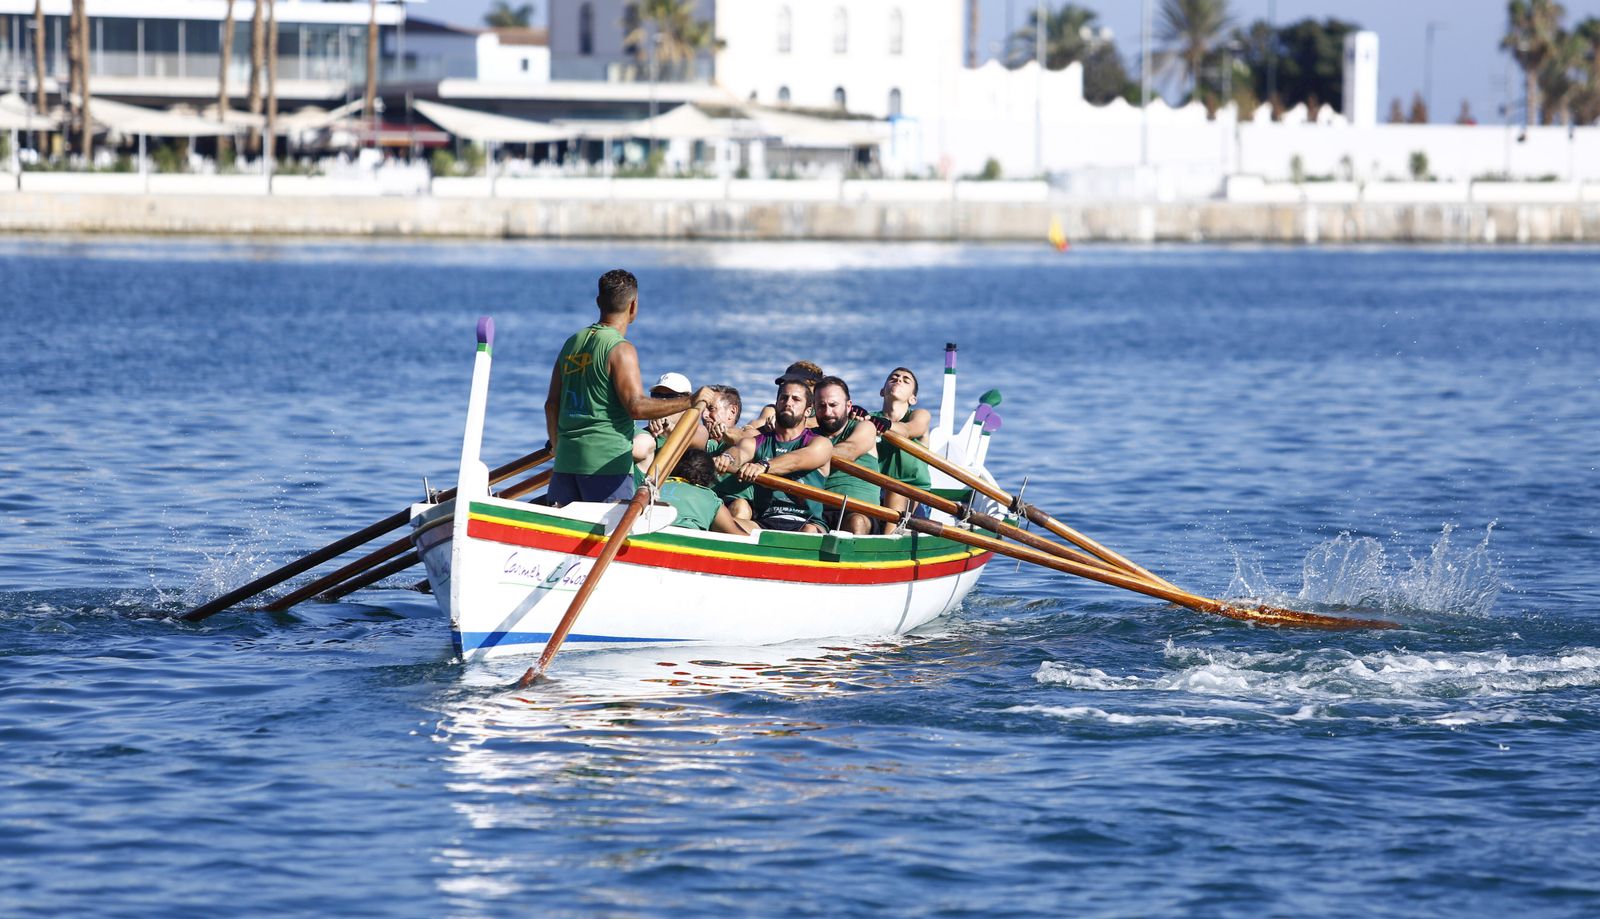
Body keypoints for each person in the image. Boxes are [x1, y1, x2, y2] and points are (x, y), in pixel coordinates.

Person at [544, 268, 714, 505]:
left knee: (561, 537)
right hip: (606, 466)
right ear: (634, 306)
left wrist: (557, 446)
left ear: (598, 302)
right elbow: (636, 407)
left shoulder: (571, 343)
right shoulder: (621, 349)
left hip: (565, 463)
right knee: (612, 537)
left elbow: (551, 404)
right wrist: (690, 401)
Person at [719, 379, 834, 532]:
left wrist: (764, 466)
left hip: (807, 523)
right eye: (783, 398)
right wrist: (726, 458)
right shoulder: (758, 442)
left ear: (808, 410)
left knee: (809, 532)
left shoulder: (820, 444)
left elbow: (797, 460)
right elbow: (739, 451)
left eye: (796, 399)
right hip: (765, 521)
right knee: (723, 524)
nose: (788, 402)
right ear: (777, 404)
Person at [812, 376, 884, 535]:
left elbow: (848, 451)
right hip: (817, 514)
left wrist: (803, 457)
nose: (827, 412)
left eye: (833, 405)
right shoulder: (809, 435)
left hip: (859, 511)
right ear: (813, 408)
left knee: (855, 522)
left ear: (848, 406)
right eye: (821, 406)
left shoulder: (864, 427)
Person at [872, 366, 933, 523]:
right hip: (875, 491)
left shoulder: (919, 415)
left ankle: (888, 540)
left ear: (913, 399)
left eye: (906, 380)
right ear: (882, 391)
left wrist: (885, 425)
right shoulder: (870, 418)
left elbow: (908, 430)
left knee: (896, 492)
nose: (899, 379)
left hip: (915, 494)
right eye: (893, 378)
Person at [659, 449, 758, 535]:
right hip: (684, 540)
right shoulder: (710, 498)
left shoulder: (655, 485)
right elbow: (736, 535)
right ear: (709, 478)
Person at [633, 371, 708, 470]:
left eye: (671, 397)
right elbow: (638, 448)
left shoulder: (699, 431)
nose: (663, 402)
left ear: (687, 402)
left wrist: (669, 427)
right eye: (657, 396)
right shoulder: (642, 435)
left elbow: (697, 442)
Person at [751, 360, 824, 430]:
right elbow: (753, 426)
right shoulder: (772, 410)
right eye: (785, 383)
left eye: (798, 384)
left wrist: (784, 420)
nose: (790, 387)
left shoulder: (825, 410)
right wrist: (748, 428)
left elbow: (814, 423)